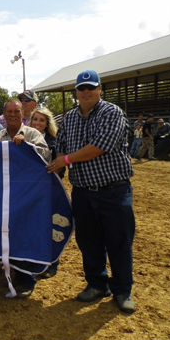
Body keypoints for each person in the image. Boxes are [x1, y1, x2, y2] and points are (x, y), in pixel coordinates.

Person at [47, 70, 136, 314]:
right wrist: (57, 169)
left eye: (91, 87)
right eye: (81, 88)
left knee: (119, 241)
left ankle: (122, 290)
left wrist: (64, 160)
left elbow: (99, 147)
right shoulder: (69, 119)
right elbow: (60, 148)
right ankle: (97, 284)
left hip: (113, 190)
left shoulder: (112, 112)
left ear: (100, 89)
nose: (86, 92)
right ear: (76, 92)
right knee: (88, 241)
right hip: (83, 192)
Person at [0, 99, 50, 299]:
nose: (13, 115)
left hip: (28, 194)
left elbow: (46, 156)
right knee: (9, 235)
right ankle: (14, 273)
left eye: (16, 111)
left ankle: (27, 280)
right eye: (9, 111)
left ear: (22, 113)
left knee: (25, 236)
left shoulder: (32, 133)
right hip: (6, 194)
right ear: (4, 114)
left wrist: (28, 145)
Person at [29, 107, 63, 278]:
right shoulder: (25, 138)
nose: (37, 123)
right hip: (30, 191)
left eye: (42, 120)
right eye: (35, 119)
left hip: (48, 190)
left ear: (47, 124)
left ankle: (52, 264)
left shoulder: (54, 142)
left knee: (50, 227)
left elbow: (60, 168)